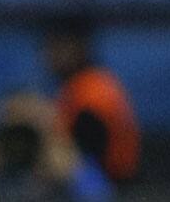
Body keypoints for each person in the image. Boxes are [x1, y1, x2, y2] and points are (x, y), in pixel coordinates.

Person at [0, 91, 113, 202]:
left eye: (29, 129)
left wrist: (73, 171)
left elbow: (102, 197)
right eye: (16, 130)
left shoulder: (68, 159)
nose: (22, 142)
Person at [45, 17, 140, 185]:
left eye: (59, 48)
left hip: (109, 182)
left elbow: (86, 151)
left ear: (79, 49)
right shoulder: (83, 83)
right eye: (50, 49)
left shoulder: (93, 89)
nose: (51, 56)